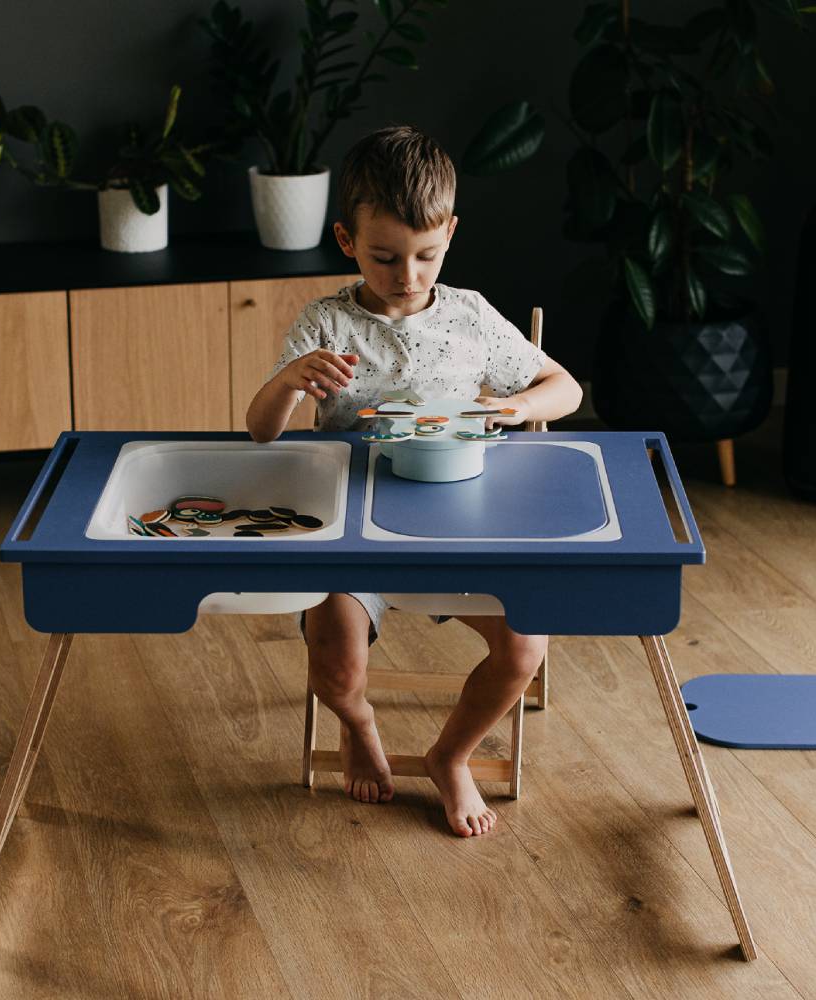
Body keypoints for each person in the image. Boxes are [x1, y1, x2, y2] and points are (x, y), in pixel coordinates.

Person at [246, 125, 583, 837]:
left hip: (459, 529)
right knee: (336, 672)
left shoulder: (470, 317)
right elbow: (262, 432)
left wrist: (515, 407)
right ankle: (358, 726)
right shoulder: (327, 323)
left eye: (426, 255)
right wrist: (288, 381)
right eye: (384, 257)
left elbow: (567, 389)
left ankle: (449, 756)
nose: (407, 276)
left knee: (526, 646)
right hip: (350, 535)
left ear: (450, 233)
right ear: (346, 241)